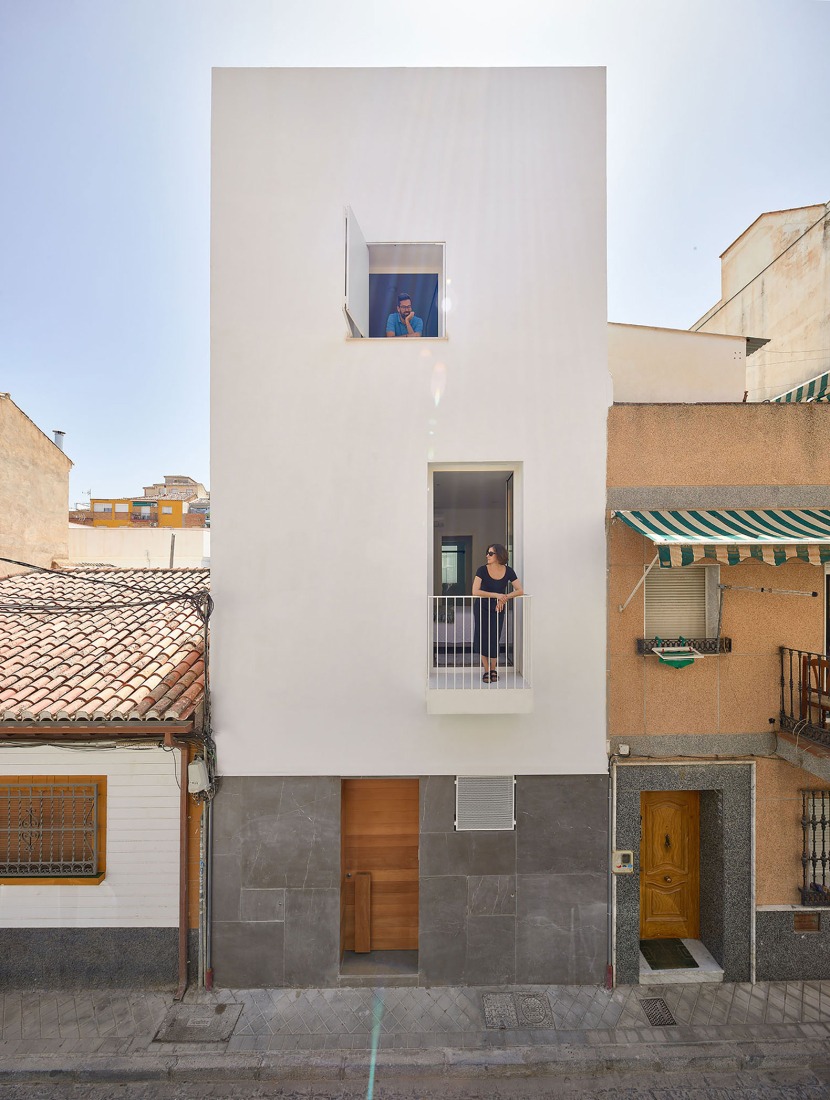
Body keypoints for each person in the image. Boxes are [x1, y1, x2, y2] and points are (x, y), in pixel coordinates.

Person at [472, 543, 524, 683]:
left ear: (499, 555)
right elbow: (475, 591)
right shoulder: (482, 570)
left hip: (498, 608)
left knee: (494, 637)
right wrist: (496, 595)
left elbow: (520, 590)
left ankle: (494, 669)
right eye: (487, 553)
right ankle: (487, 670)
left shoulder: (508, 571)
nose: (487, 556)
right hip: (482, 607)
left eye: (490, 553)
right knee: (483, 637)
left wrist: (504, 598)